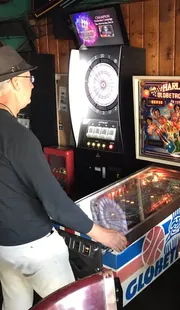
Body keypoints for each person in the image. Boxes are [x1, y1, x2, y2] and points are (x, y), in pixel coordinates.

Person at [0, 44, 127, 310]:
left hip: (4, 246)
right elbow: (55, 204)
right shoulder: (19, 137)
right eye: (28, 79)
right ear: (12, 83)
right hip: (35, 248)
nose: (33, 85)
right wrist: (103, 234)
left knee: (16, 305)